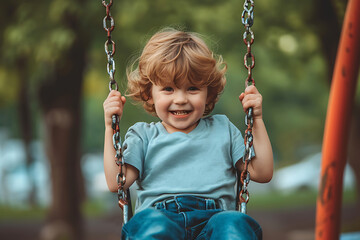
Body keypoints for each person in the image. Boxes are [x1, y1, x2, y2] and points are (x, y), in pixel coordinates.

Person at [103, 28, 273, 240]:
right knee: (151, 224)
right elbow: (116, 182)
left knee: (234, 223)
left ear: (208, 93)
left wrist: (256, 119)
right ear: (150, 93)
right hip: (160, 218)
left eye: (192, 88)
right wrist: (110, 127)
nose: (181, 99)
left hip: (213, 222)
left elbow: (262, 172)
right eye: (168, 89)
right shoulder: (142, 135)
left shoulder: (224, 130)